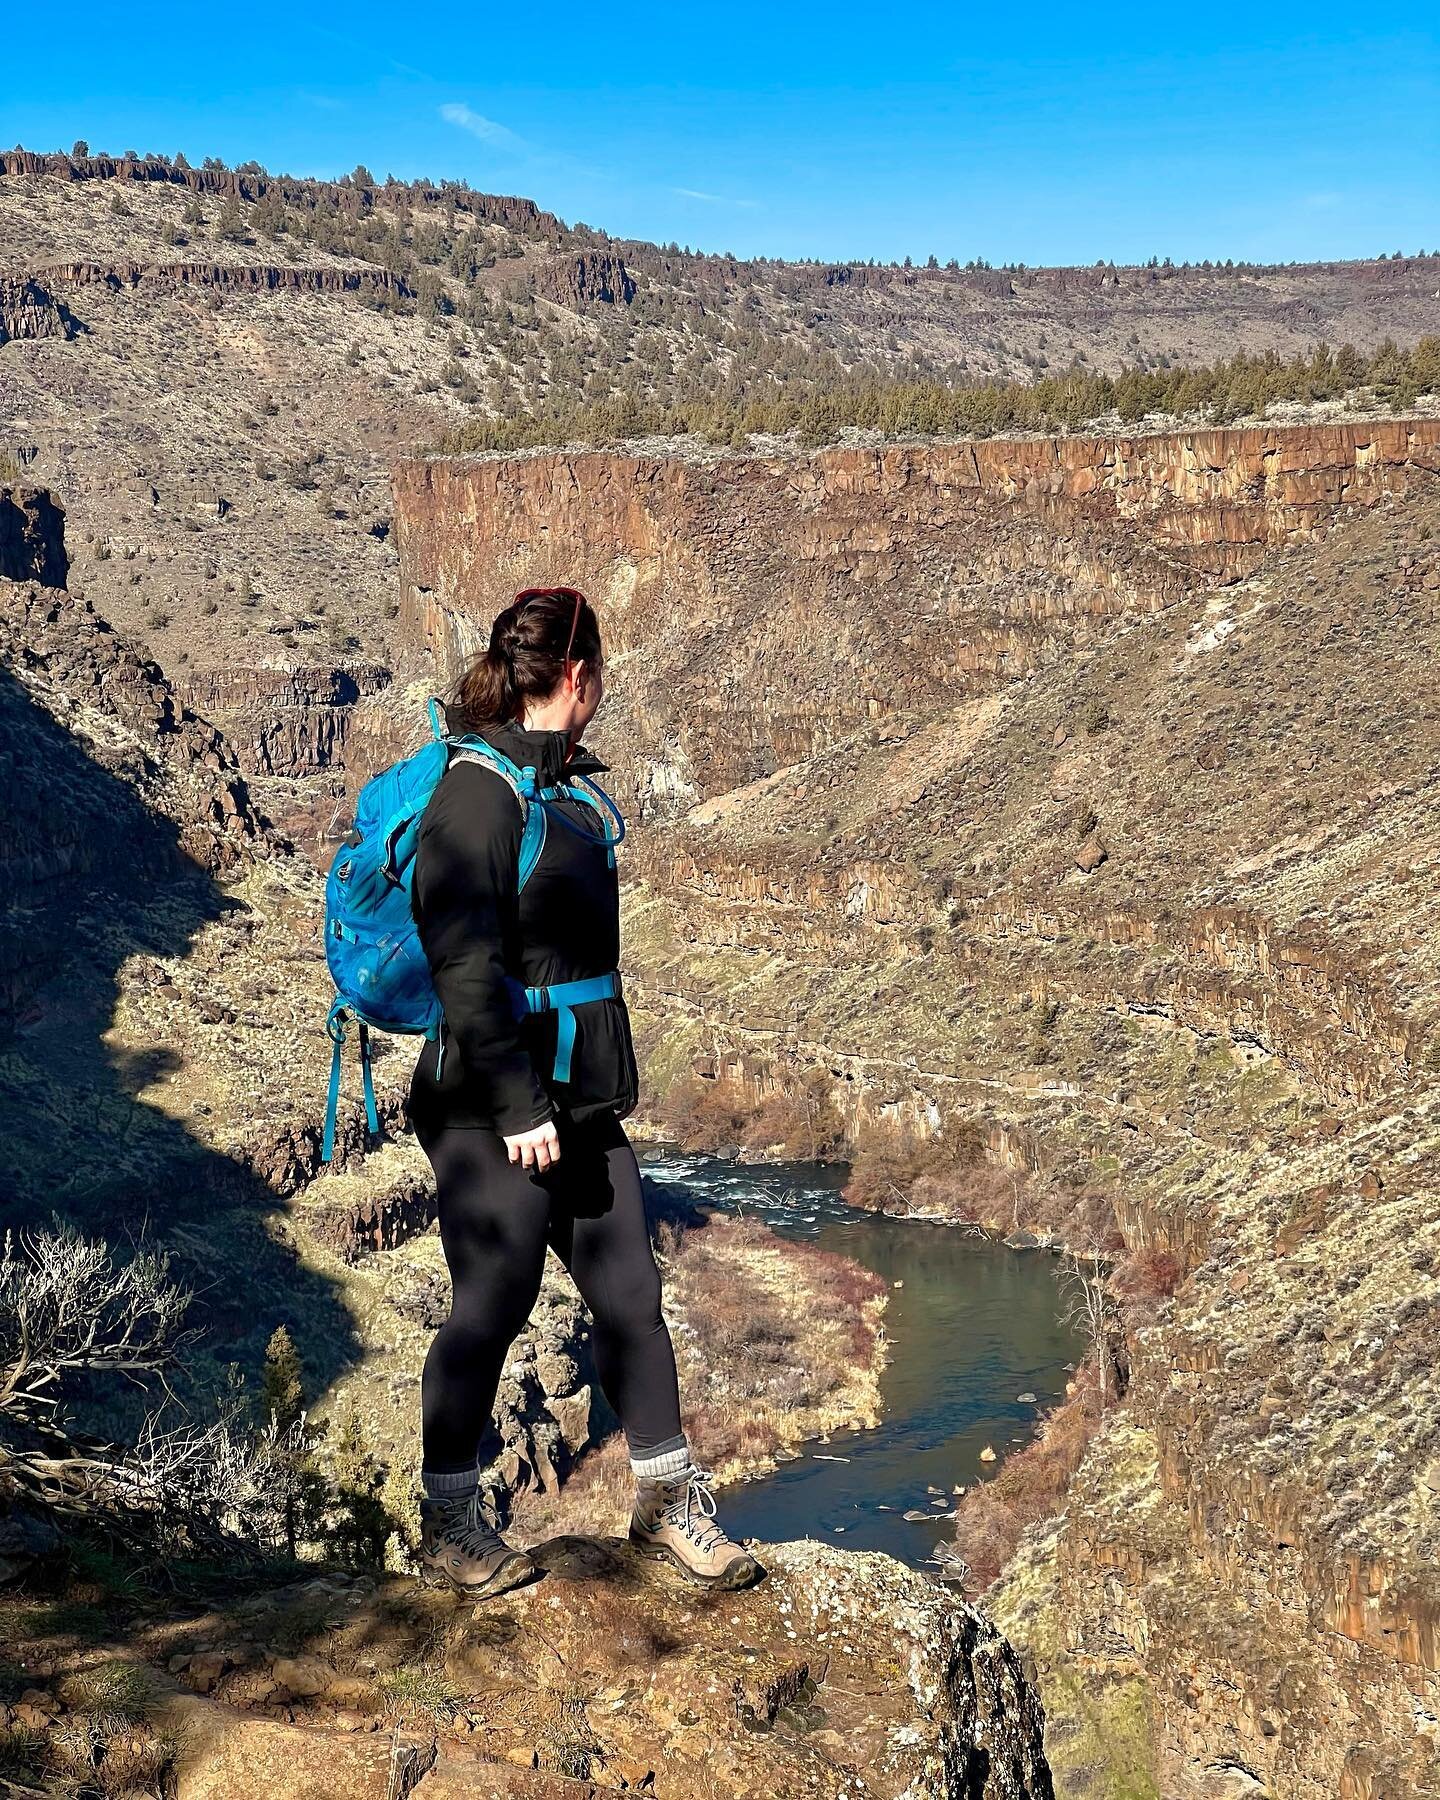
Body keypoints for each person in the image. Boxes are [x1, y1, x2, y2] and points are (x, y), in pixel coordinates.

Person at [407, 585, 760, 1599]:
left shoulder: (558, 782)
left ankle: (666, 1505)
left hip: (581, 1098)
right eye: (601, 672)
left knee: (632, 1299)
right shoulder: (477, 796)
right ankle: (446, 1522)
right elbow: (463, 966)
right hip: (492, 1102)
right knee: (494, 1299)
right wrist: (518, 1107)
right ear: (578, 674)